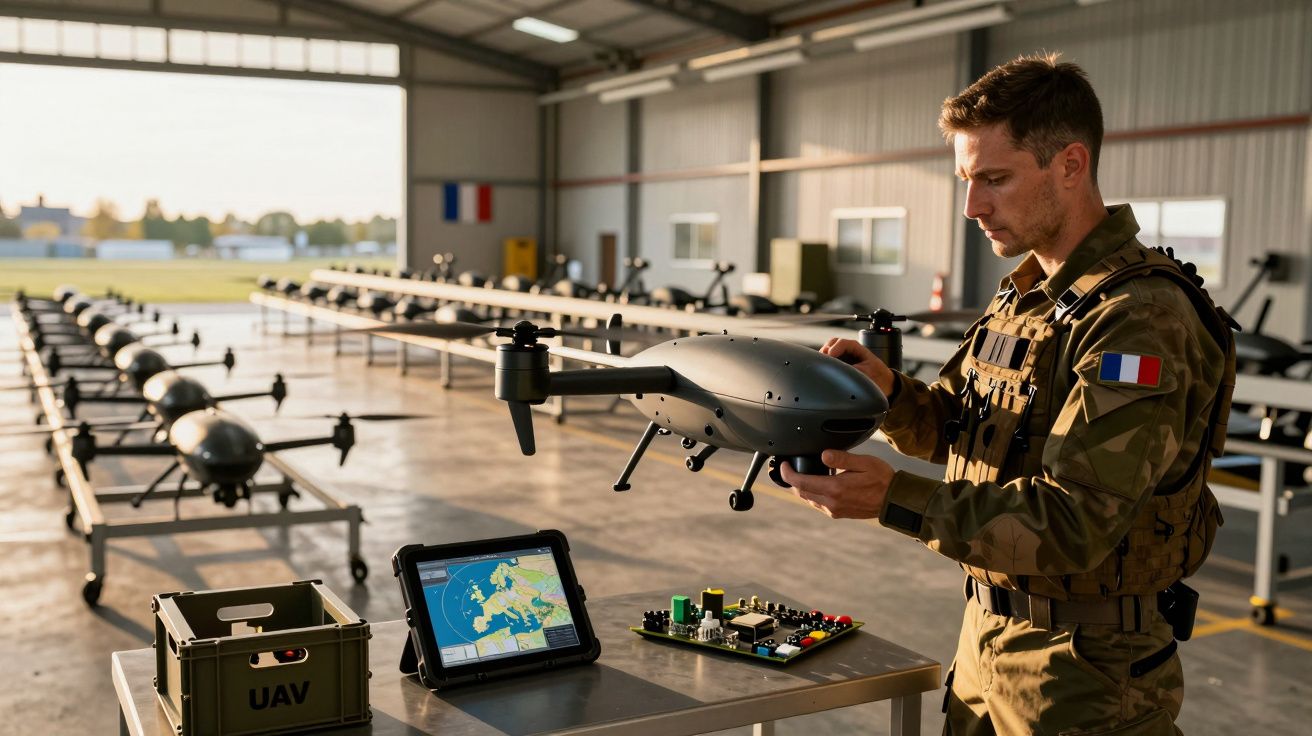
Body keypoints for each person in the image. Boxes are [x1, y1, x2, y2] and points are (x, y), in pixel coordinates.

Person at [781, 53, 1236, 735]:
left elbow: (1076, 522)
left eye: (995, 179)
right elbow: (960, 427)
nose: (973, 207)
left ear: (1071, 165)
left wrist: (892, 497)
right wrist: (890, 393)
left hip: (1085, 675)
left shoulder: (1138, 318)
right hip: (987, 640)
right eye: (967, 181)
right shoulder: (1027, 298)